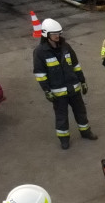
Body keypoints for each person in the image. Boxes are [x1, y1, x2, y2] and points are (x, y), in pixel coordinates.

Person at [33, 18, 97, 150]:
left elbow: (75, 65)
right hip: (58, 92)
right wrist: (46, 90)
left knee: (81, 112)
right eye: (54, 34)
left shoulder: (66, 47)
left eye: (58, 33)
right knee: (61, 117)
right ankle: (64, 139)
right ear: (46, 34)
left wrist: (82, 80)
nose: (57, 36)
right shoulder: (40, 52)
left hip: (73, 88)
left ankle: (85, 132)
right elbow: (40, 74)